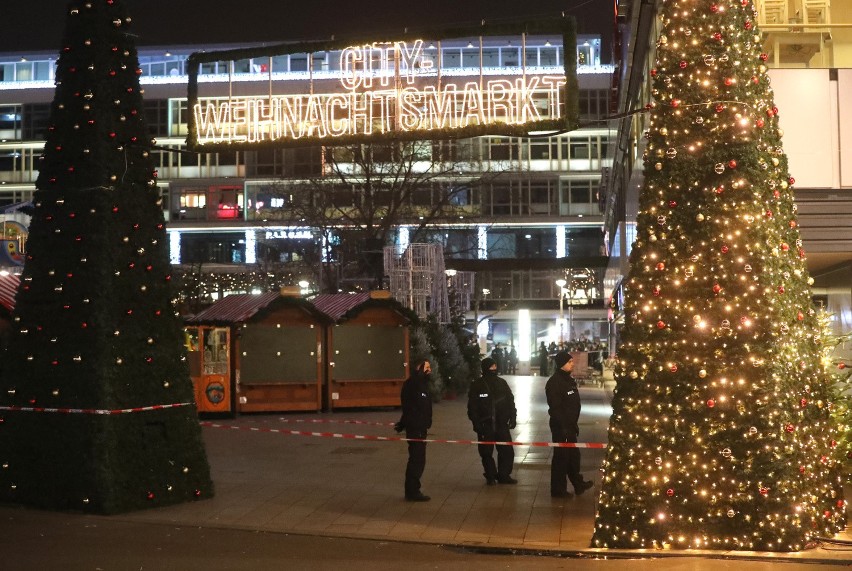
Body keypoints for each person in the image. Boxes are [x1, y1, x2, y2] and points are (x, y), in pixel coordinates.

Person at [546, 351, 594, 498]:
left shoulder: (568, 380)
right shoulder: (555, 383)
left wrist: (572, 424)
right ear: (562, 364)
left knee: (573, 456)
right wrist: (564, 426)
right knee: (561, 459)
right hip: (562, 427)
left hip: (570, 425)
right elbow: (555, 408)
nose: (572, 363)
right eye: (569, 362)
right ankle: (558, 490)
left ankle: (578, 484)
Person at [467, 357, 518, 485]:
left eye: (495, 366)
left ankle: (504, 475)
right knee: (486, 452)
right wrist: (476, 423)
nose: (494, 369)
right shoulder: (477, 385)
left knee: (506, 451)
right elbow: (472, 406)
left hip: (501, 424)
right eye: (491, 367)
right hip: (485, 425)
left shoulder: (502, 383)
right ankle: (490, 475)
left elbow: (510, 401)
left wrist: (513, 416)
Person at [395, 359, 433, 502]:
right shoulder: (413, 384)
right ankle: (412, 491)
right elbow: (410, 406)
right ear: (419, 367)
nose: (430, 370)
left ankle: (412, 489)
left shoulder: (421, 383)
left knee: (418, 459)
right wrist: (406, 423)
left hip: (420, 427)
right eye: (427, 367)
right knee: (417, 460)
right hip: (416, 428)